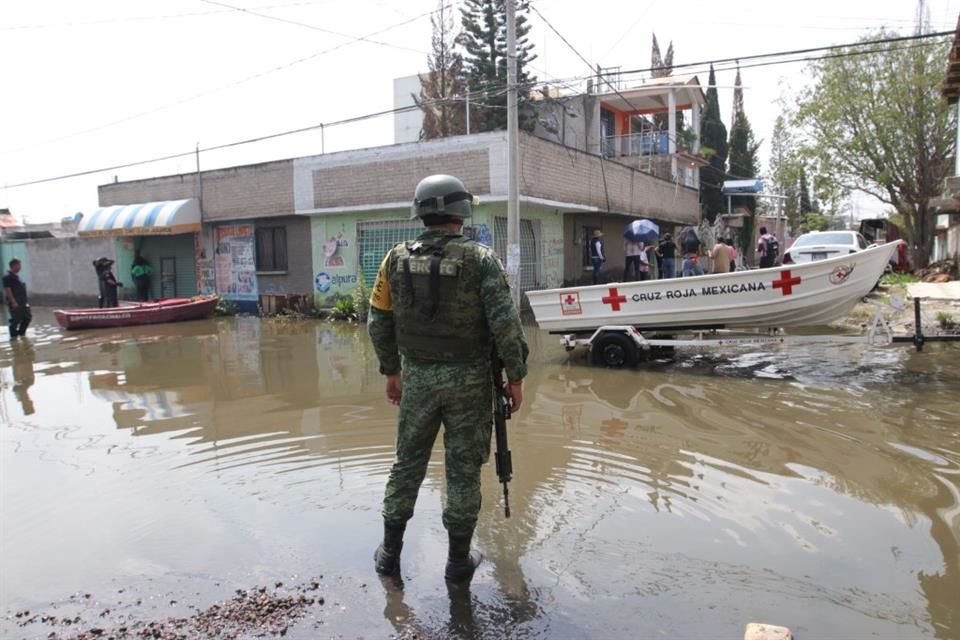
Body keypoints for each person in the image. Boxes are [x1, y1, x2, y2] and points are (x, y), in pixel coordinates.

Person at [368, 174, 529, 584]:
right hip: (471, 383)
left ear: (421, 212)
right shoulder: (482, 260)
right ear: (462, 211)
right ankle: (458, 563)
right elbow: (506, 324)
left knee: (406, 465)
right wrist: (516, 377)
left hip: (417, 379)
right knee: (462, 472)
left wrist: (392, 371)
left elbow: (378, 320)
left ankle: (389, 555)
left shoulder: (393, 259)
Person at [4, 258, 31, 339]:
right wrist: (13, 302)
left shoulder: (17, 277)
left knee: (27, 318)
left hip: (22, 302)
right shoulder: (7, 277)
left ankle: (21, 334)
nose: (20, 267)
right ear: (13, 266)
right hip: (15, 302)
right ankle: (13, 338)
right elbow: (8, 290)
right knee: (15, 320)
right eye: (18, 265)